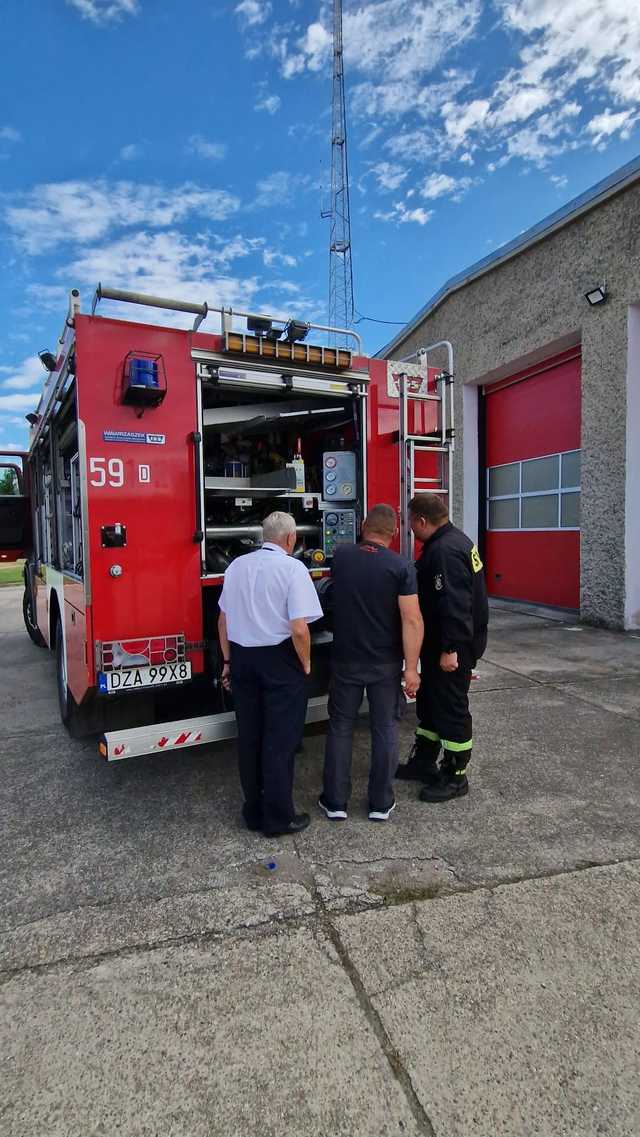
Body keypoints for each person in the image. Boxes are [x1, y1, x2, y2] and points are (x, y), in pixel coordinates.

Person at [218, 511, 323, 837]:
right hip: (280, 661)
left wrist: (227, 662)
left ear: (265, 536)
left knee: (250, 737)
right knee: (280, 741)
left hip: (243, 660)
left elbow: (223, 620)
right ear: (291, 539)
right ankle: (278, 818)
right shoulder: (293, 569)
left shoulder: (236, 566)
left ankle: (253, 811)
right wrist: (305, 663)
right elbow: (299, 629)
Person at [319, 503, 424, 822]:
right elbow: (412, 620)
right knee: (384, 729)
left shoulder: (342, 558)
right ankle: (380, 803)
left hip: (346, 660)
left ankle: (335, 802)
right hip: (385, 664)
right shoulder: (402, 567)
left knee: (340, 728)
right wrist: (411, 668)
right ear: (394, 533)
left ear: (363, 525)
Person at [397, 493, 488, 802]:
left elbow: (455, 604)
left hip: (451, 648)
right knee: (431, 705)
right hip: (440, 646)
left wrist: (451, 648)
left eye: (411, 522)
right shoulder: (453, 542)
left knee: (451, 710)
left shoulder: (445, 552)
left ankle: (455, 776)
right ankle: (424, 761)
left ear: (422, 521)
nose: (410, 528)